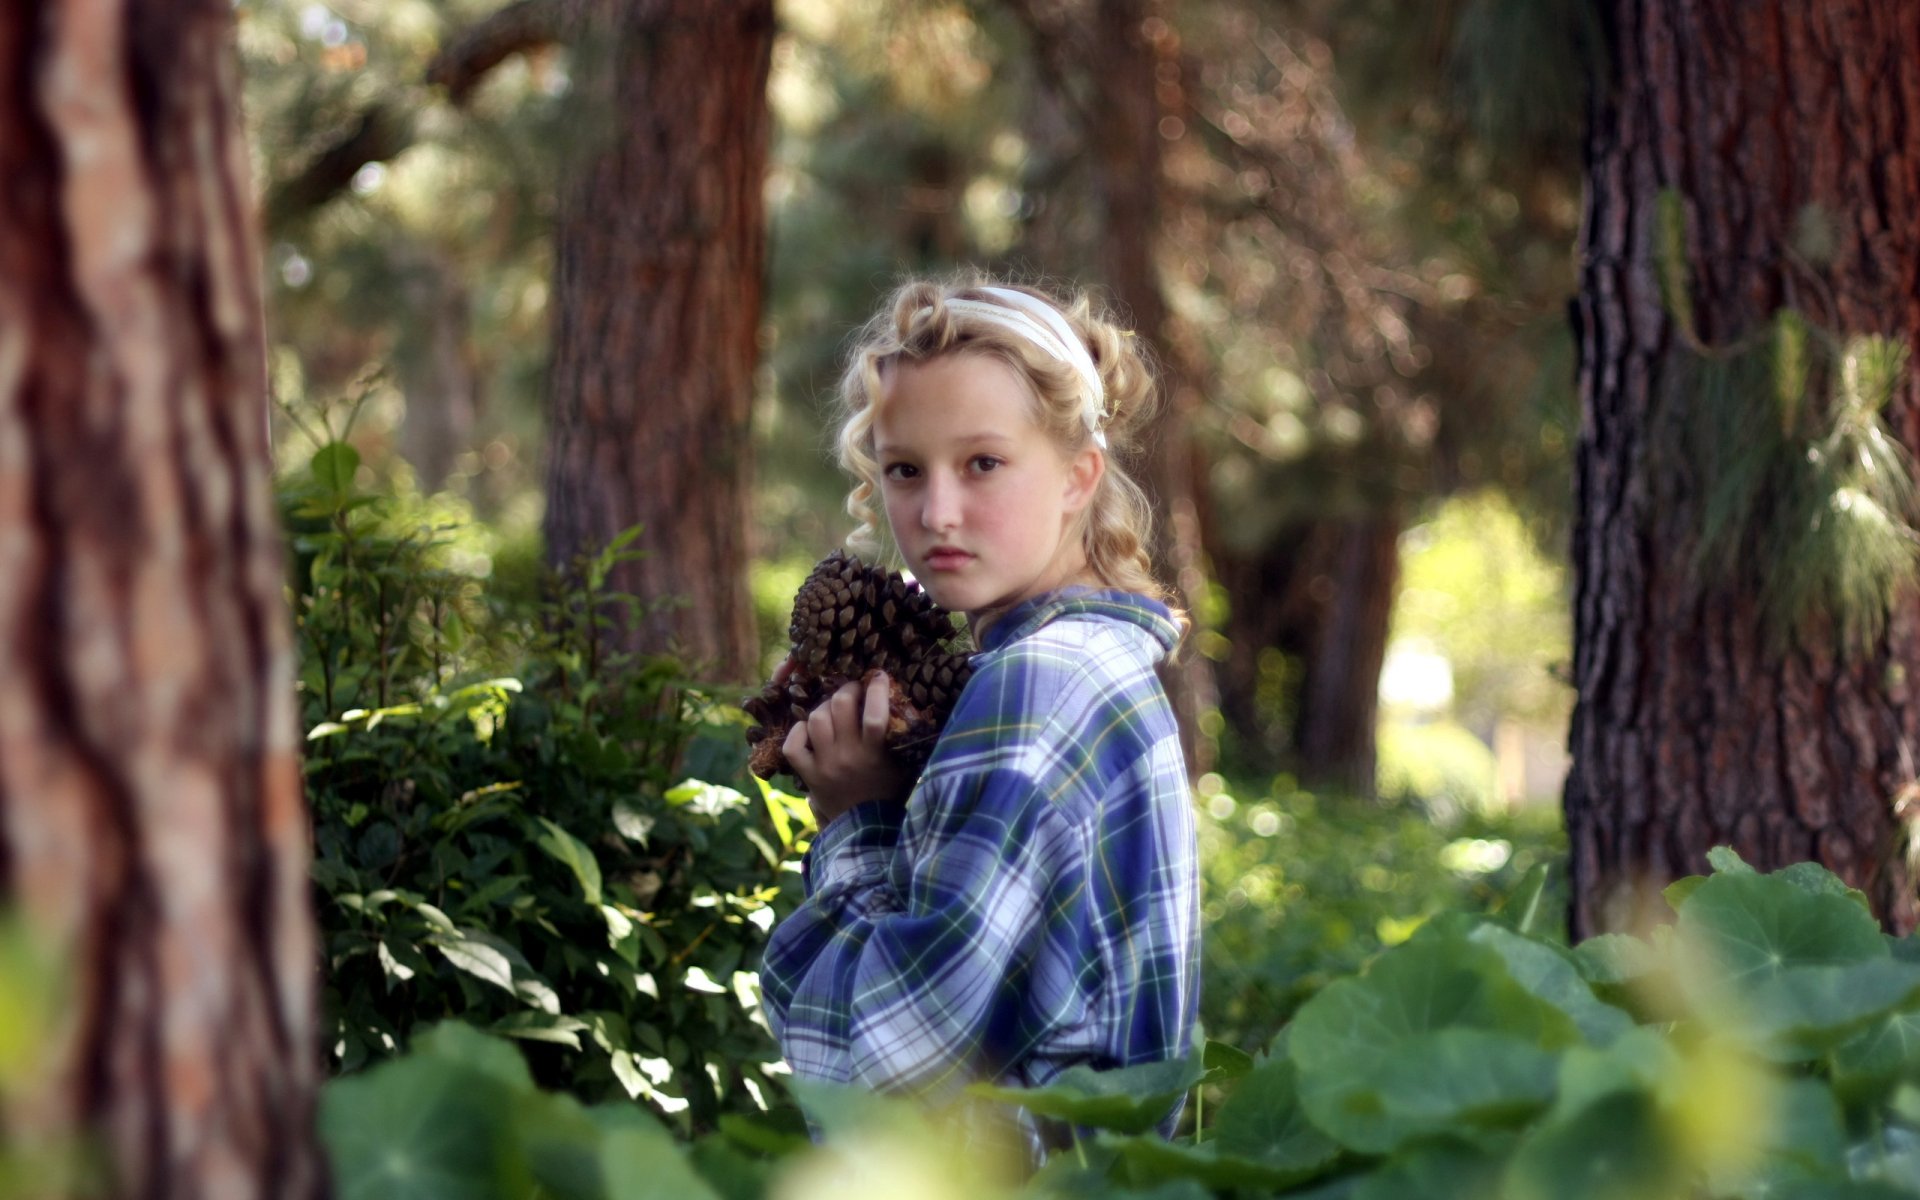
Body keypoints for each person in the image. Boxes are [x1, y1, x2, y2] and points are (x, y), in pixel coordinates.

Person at [758, 276, 1200, 1156]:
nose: (936, 513)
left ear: (1080, 476)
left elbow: (875, 1088)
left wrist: (859, 820)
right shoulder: (1099, 662)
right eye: (905, 470)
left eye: (983, 463)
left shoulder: (1034, 685)